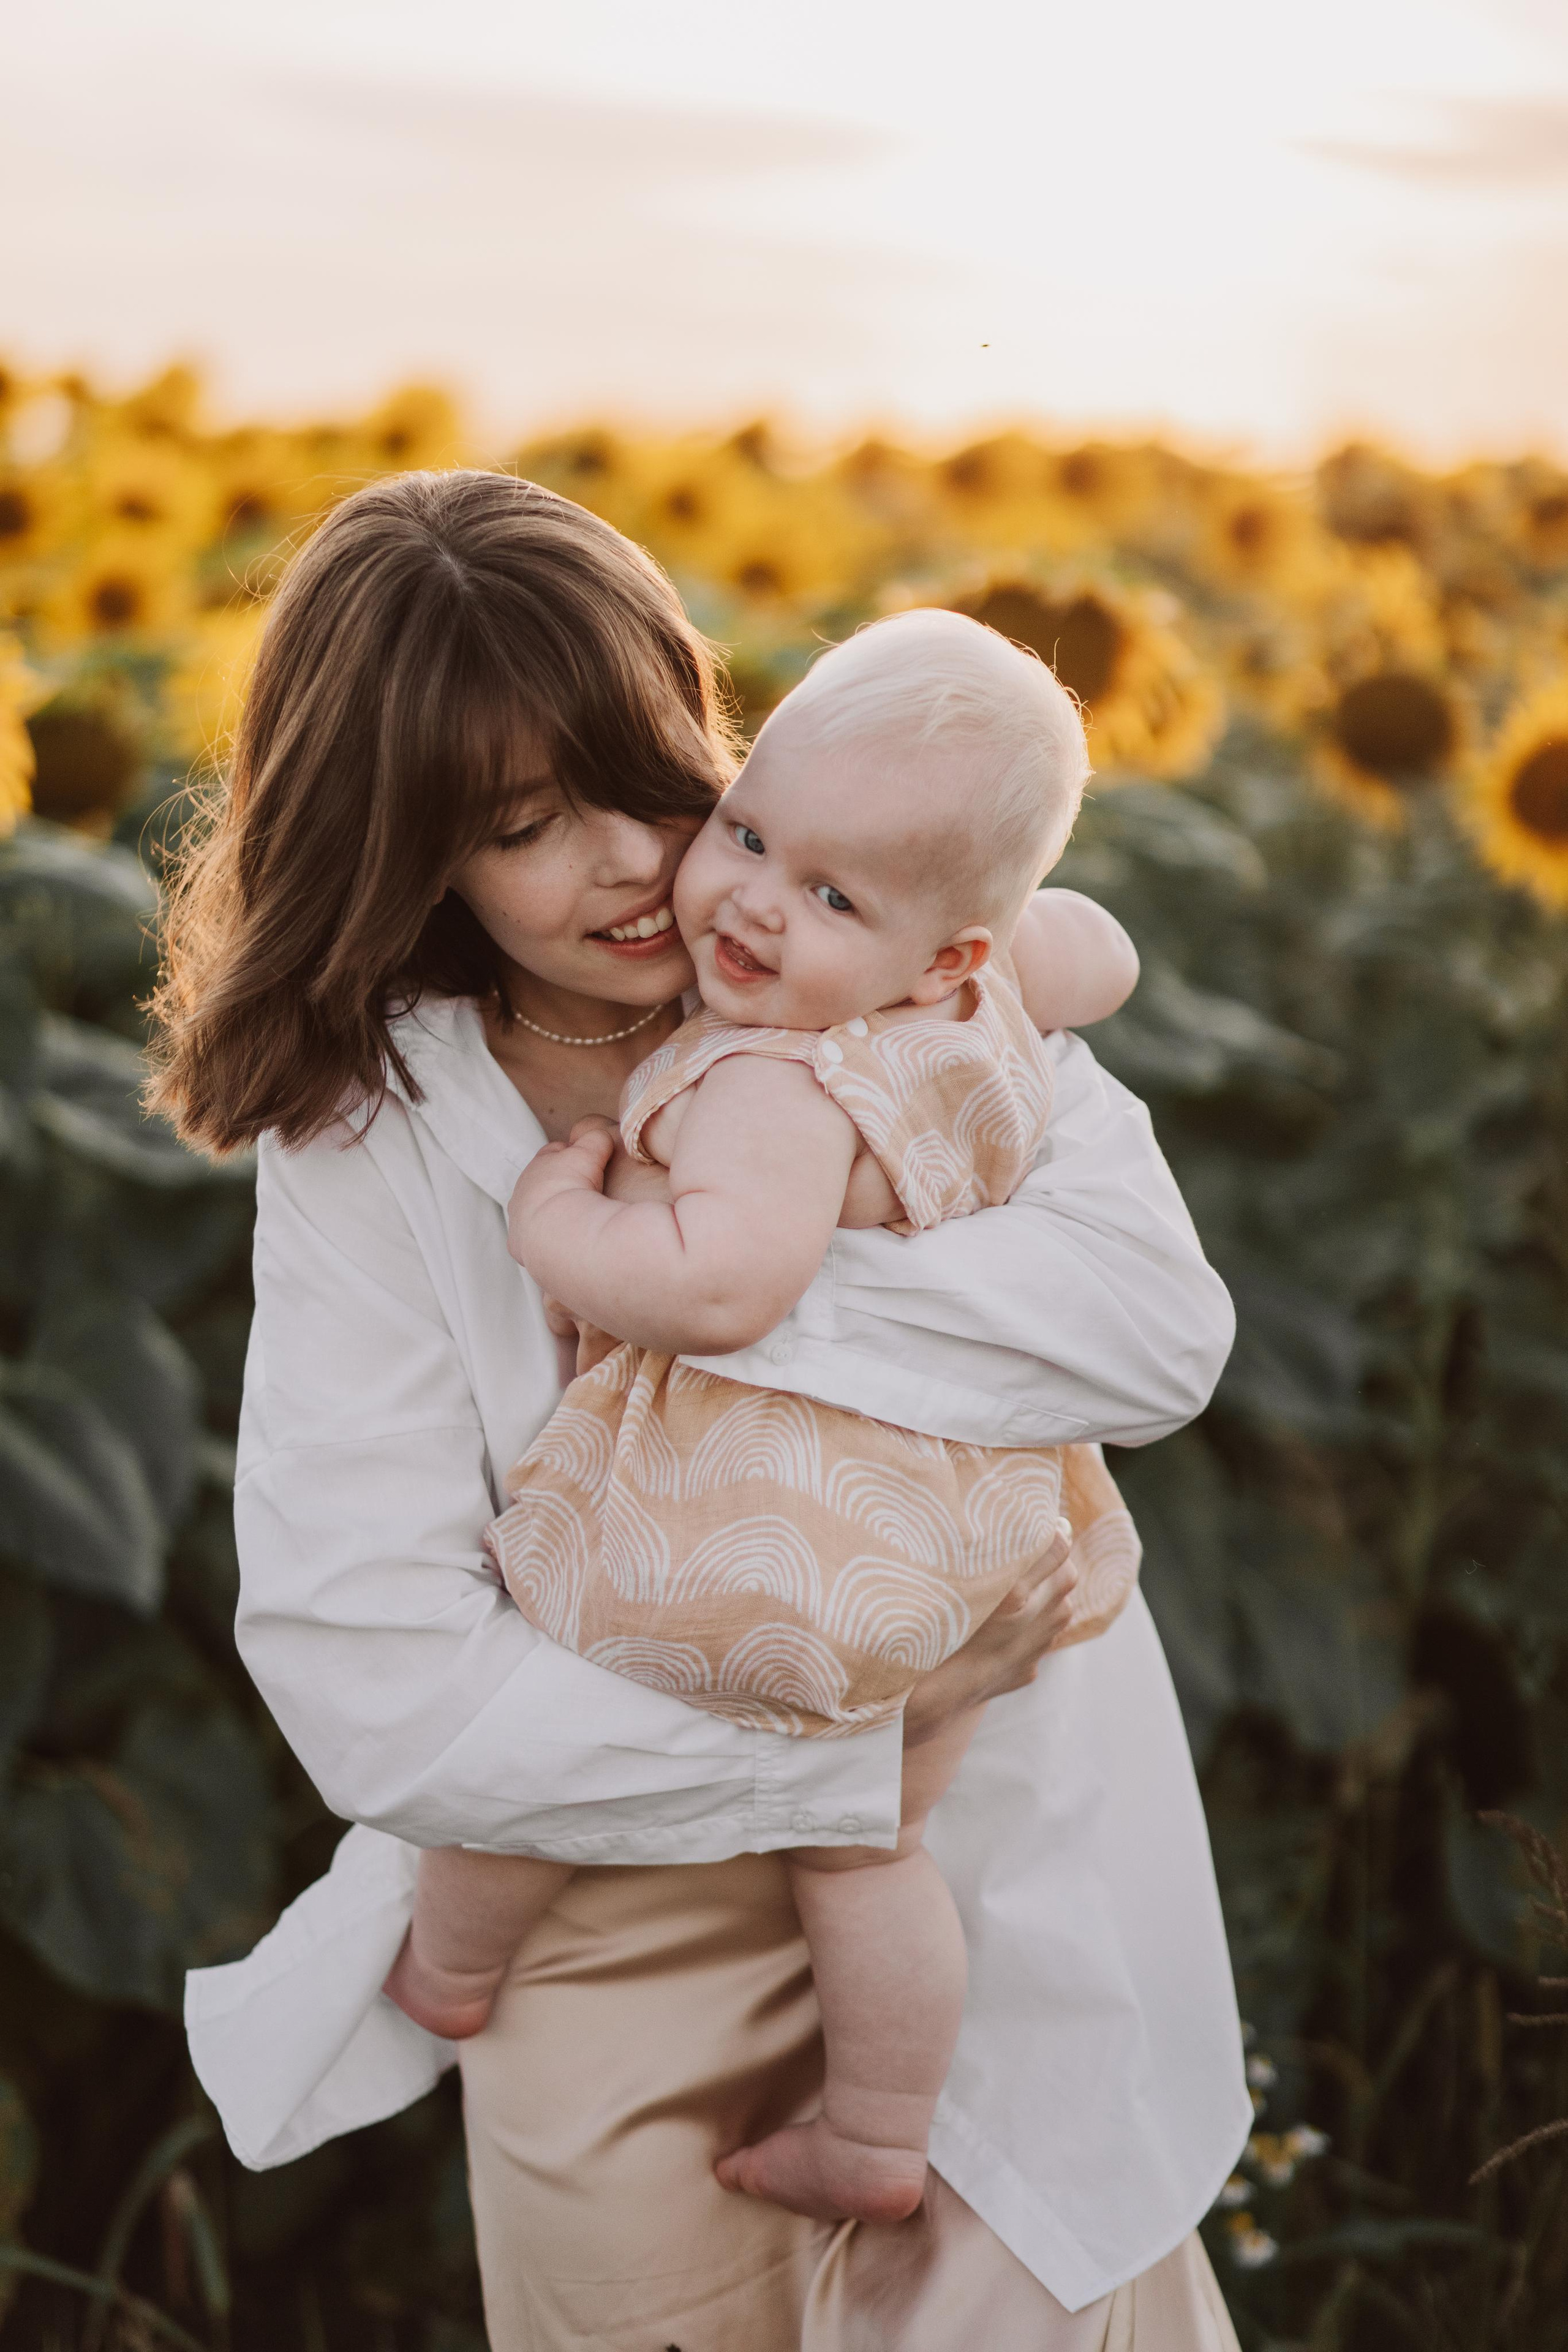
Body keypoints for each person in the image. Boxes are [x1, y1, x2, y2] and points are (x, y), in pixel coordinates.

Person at [161, 470, 1250, 2350]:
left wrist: (714, 1295)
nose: (628, 863)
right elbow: (370, 1660)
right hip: (601, 1909)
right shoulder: (384, 1137)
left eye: (646, 775)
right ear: (409, 849)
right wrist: (845, 1749)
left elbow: (1157, 1334)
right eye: (521, 825)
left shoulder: (901, 967)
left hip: (985, 1891)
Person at [388, 610, 1147, 2232]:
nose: (744, 903)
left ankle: (452, 1959)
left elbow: (723, 1284)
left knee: (548, 1670)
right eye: (746, 831)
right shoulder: (987, 995)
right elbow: (1095, 950)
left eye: (828, 897)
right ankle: (878, 2132)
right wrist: (993, 933)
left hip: (746, 1536)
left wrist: (562, 1229)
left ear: (932, 950)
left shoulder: (768, 1083)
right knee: (871, 1853)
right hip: (969, 1556)